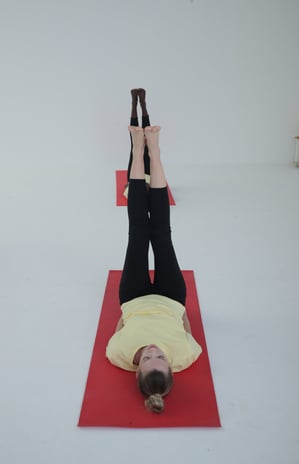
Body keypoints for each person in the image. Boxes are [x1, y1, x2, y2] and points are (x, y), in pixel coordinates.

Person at [106, 89, 202, 413]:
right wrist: (179, 312)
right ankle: (155, 152)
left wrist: (129, 313)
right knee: (161, 233)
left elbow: (119, 328)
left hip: (133, 297)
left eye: (147, 358)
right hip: (171, 297)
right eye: (160, 357)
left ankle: (137, 149)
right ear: (170, 365)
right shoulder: (185, 356)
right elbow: (188, 330)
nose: (153, 351)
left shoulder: (119, 355)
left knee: (138, 232)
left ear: (138, 368)